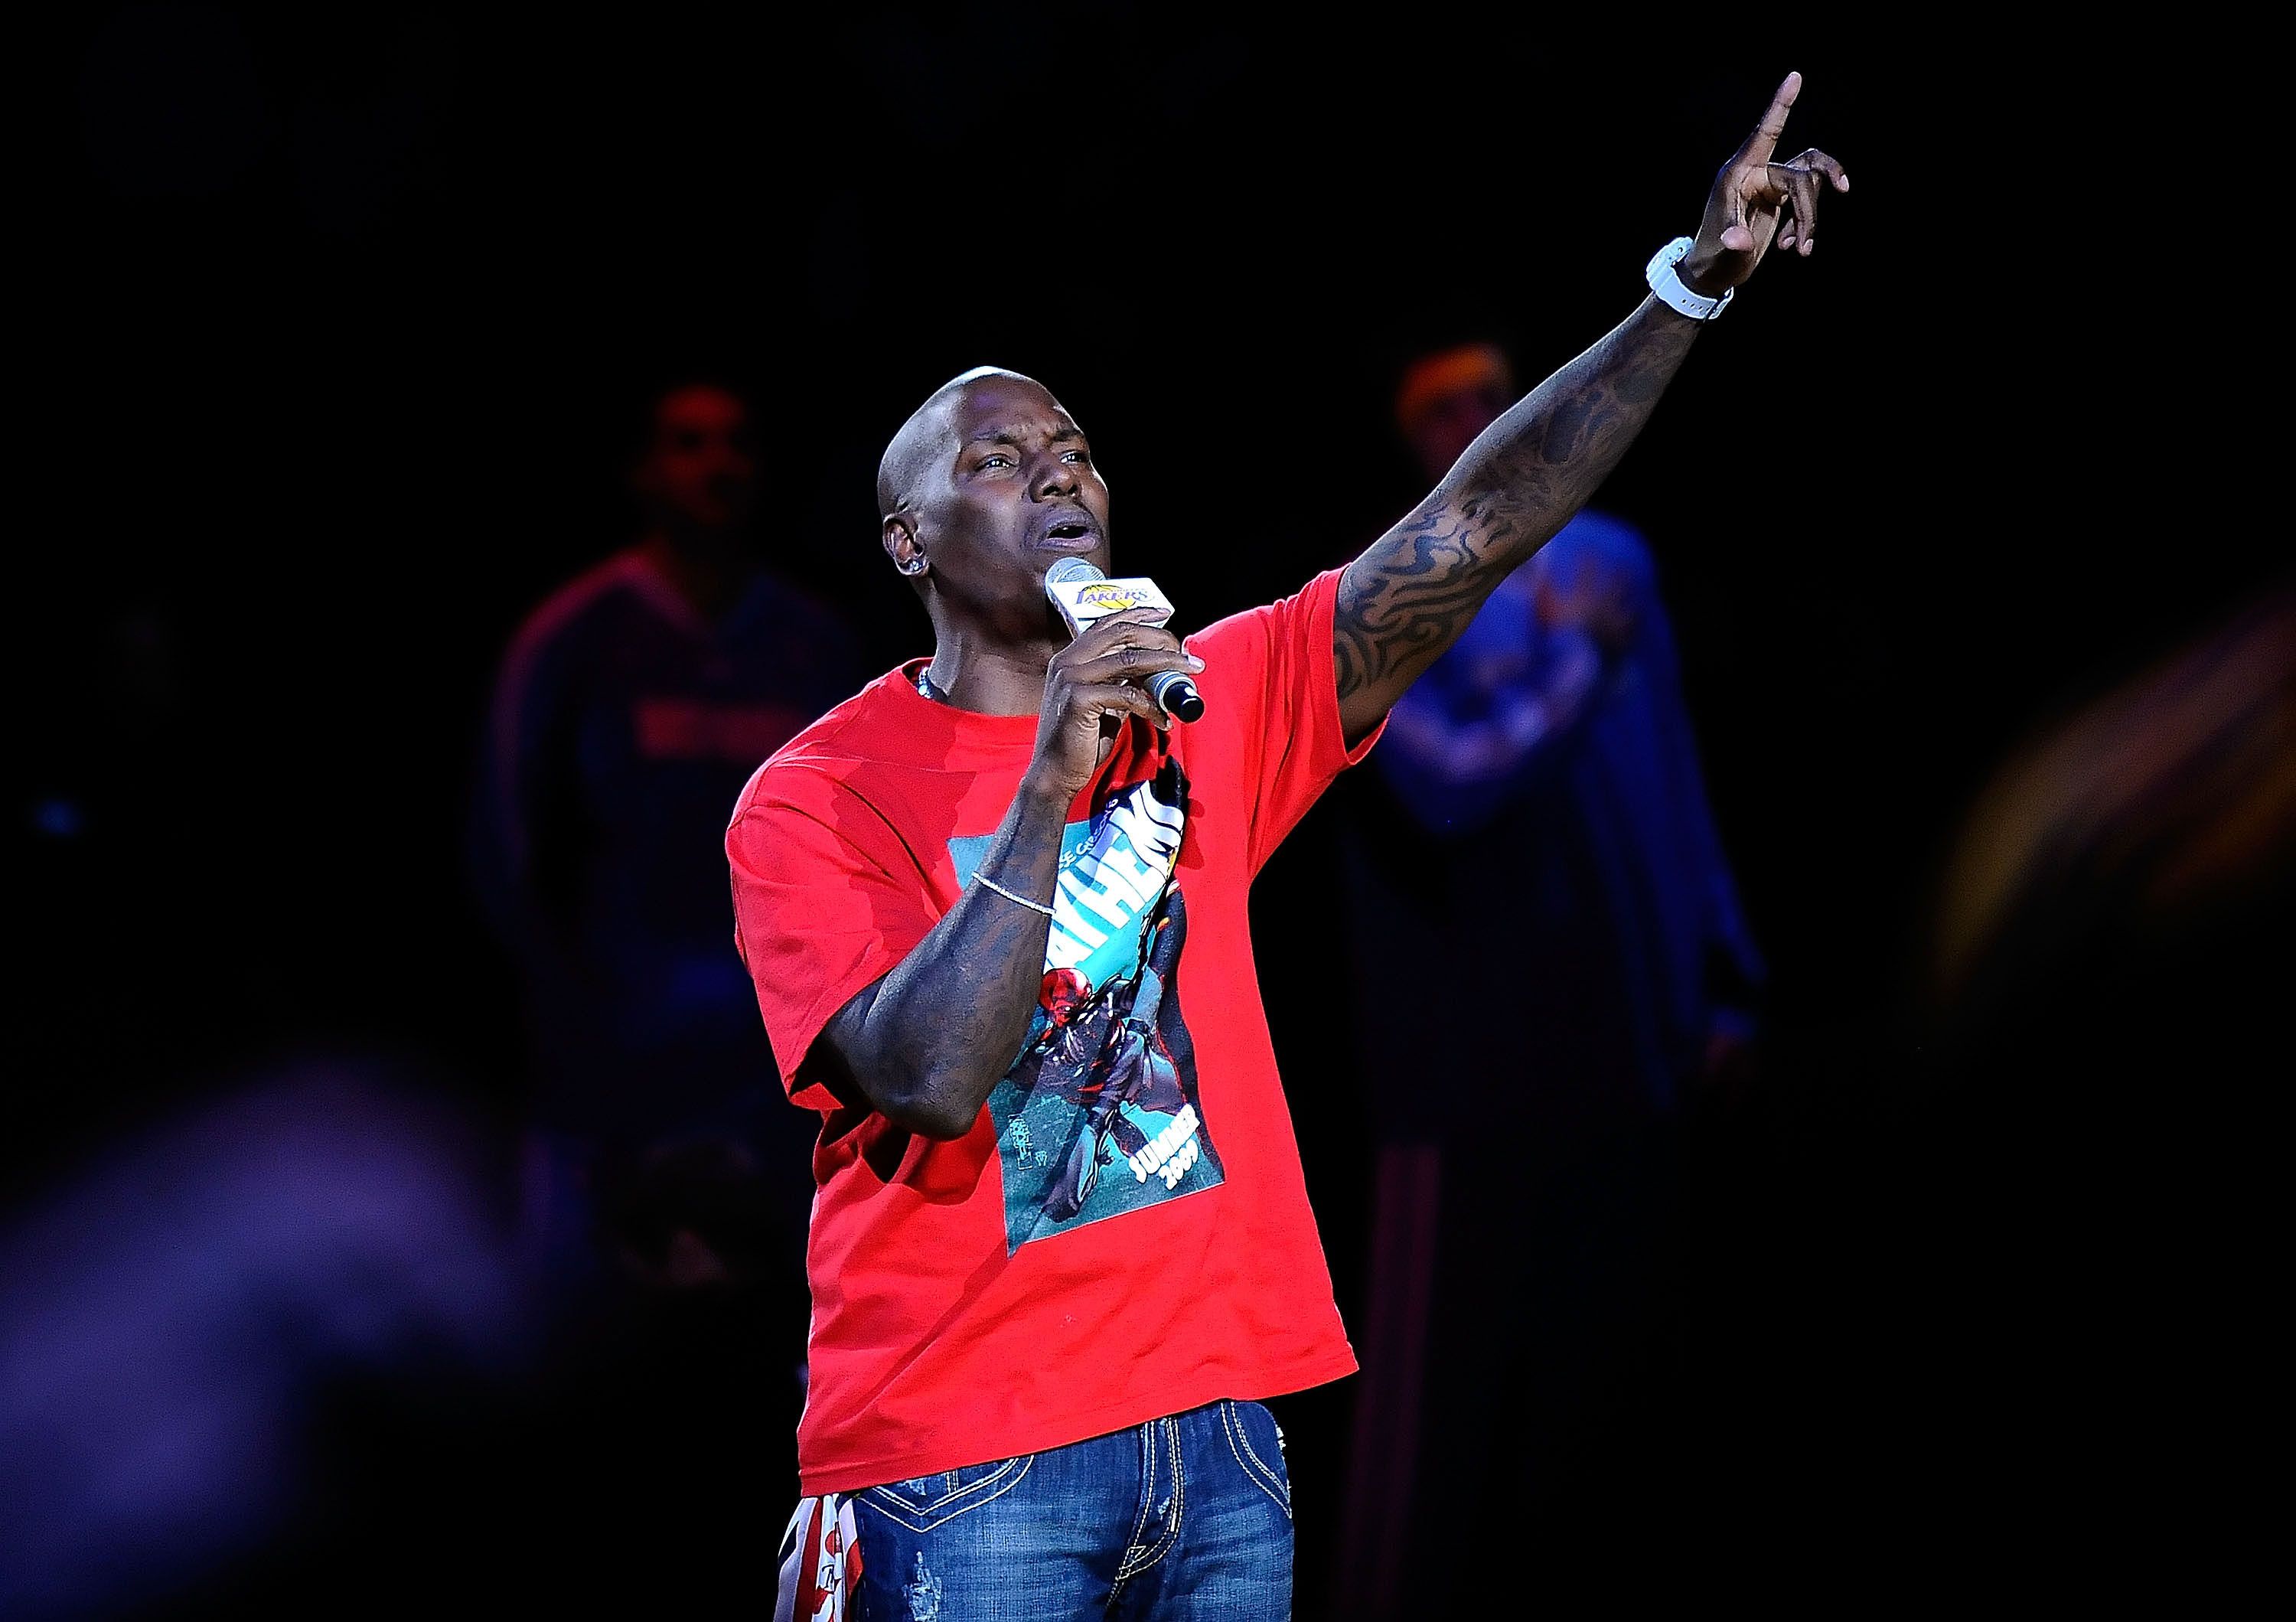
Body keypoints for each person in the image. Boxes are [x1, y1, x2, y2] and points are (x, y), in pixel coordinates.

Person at [729, 73, 1847, 1618]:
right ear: (906, 540)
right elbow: (921, 1075)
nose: (1059, 467)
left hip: (1224, 1442)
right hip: (963, 1460)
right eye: (997, 456)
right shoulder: (817, 792)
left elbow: (1472, 527)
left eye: (1073, 447)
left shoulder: (1209, 697)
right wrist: (1051, 781)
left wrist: (1686, 289)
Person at [1327, 342, 1769, 1615]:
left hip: (1626, 1055)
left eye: (1491, 390)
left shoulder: (1614, 560)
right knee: (1431, 1411)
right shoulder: (1383, 592)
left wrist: (1726, 977)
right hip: (1465, 1080)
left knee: (1606, 1383)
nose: (1479, 418)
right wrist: (1570, 665)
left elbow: (1674, 784)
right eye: (1440, 406)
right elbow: (1448, 788)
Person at [468, 382, 863, 1354]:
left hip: (770, 1092)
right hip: (604, 1086)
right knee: (571, 1353)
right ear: (644, 470)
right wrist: (571, 1028)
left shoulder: (815, 650)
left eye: (735, 444)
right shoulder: (573, 641)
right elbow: (510, 851)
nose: (716, 466)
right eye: (688, 444)